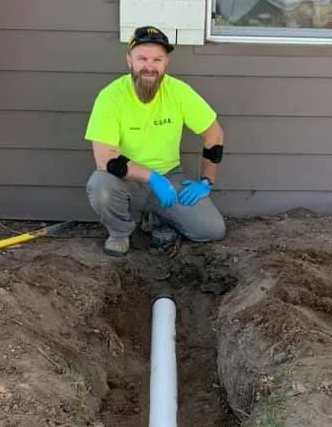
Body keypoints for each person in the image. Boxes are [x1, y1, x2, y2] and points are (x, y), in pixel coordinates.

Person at [84, 25, 226, 257]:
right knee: (100, 186)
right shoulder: (110, 97)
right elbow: (106, 160)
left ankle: (160, 218)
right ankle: (119, 234)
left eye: (157, 59)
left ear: (166, 62)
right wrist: (152, 178)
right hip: (126, 181)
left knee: (212, 230)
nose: (149, 67)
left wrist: (206, 181)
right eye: (142, 58)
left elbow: (214, 134)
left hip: (170, 178)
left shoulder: (179, 92)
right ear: (129, 60)